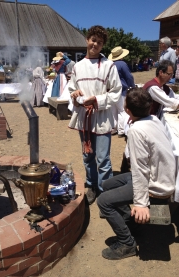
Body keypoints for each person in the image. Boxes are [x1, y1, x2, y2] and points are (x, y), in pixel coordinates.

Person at [97, 87, 176, 260]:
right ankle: (130, 224)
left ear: (127, 110)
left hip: (155, 184)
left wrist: (141, 204)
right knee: (106, 184)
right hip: (160, 176)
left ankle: (127, 243)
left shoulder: (136, 131)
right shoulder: (154, 119)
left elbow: (140, 169)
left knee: (103, 201)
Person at [68, 25, 122, 205]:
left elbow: (116, 92)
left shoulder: (108, 66)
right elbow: (72, 89)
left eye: (99, 42)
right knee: (87, 155)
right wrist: (75, 95)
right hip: (84, 117)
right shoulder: (78, 67)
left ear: (103, 45)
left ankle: (105, 192)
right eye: (93, 40)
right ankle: (91, 185)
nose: (95, 44)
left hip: (101, 117)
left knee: (103, 158)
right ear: (87, 40)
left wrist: (96, 100)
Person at [108, 46, 135, 137]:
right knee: (122, 110)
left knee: (113, 110)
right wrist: (132, 86)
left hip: (111, 90)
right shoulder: (122, 64)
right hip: (121, 90)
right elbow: (129, 77)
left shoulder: (109, 64)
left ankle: (113, 128)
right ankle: (122, 130)